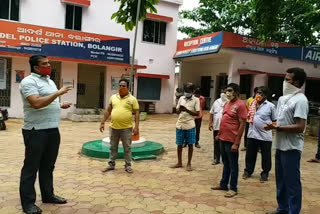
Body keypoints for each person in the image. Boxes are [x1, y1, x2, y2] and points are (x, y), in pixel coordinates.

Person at [19, 55, 72, 214]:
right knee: (31, 167)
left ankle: (48, 195)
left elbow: (48, 100)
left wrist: (59, 104)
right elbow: (36, 103)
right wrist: (58, 93)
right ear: (35, 67)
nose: (48, 65)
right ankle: (28, 203)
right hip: (35, 130)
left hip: (52, 129)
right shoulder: (28, 82)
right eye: (44, 64)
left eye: (48, 63)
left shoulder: (49, 80)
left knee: (48, 166)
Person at [265, 68, 308, 214]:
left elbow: (300, 126)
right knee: (281, 181)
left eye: (287, 79)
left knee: (292, 183)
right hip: (280, 145)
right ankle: (282, 208)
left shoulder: (301, 100)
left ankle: (293, 211)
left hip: (292, 148)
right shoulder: (283, 99)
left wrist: (279, 128)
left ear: (296, 82)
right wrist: (273, 125)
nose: (284, 82)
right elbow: (280, 121)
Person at [211, 83, 247, 198]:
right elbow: (224, 120)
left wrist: (236, 143)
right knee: (225, 163)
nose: (227, 93)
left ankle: (233, 188)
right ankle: (223, 184)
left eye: (230, 90)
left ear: (236, 92)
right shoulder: (227, 103)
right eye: (226, 90)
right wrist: (219, 134)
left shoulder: (240, 105)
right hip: (222, 138)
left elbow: (242, 124)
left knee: (233, 165)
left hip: (232, 140)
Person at [100, 78, 139, 174]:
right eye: (120, 85)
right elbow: (108, 110)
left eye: (124, 86)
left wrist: (137, 126)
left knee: (127, 147)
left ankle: (128, 165)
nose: (121, 87)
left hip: (126, 128)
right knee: (113, 147)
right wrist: (102, 122)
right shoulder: (113, 97)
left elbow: (137, 113)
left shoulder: (132, 99)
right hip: (113, 127)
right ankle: (111, 164)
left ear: (127, 87)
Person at [242, 86, 276, 183]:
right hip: (252, 134)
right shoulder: (252, 104)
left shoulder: (270, 106)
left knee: (266, 156)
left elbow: (275, 121)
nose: (259, 95)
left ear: (266, 95)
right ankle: (248, 171)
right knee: (250, 155)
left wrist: (271, 126)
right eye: (258, 93)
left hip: (265, 136)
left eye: (261, 93)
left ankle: (265, 173)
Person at [171, 83, 200, 171]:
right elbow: (177, 111)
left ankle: (189, 163)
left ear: (192, 91)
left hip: (190, 125)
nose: (186, 93)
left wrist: (186, 110)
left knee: (190, 144)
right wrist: (179, 110)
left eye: (188, 91)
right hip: (180, 124)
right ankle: (179, 162)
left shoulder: (196, 100)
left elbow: (197, 113)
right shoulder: (181, 98)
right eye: (185, 91)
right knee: (179, 144)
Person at [209, 88, 228, 165]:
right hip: (216, 126)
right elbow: (211, 113)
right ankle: (216, 158)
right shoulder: (216, 102)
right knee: (216, 143)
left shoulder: (229, 102)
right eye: (222, 92)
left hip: (226, 127)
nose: (223, 93)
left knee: (224, 144)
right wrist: (210, 122)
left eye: (225, 92)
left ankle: (225, 159)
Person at [242, 87, 259, 151]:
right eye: (257, 92)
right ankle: (246, 146)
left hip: (256, 120)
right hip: (249, 120)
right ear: (254, 92)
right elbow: (246, 108)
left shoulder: (260, 100)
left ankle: (257, 147)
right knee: (247, 133)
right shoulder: (249, 99)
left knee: (257, 133)